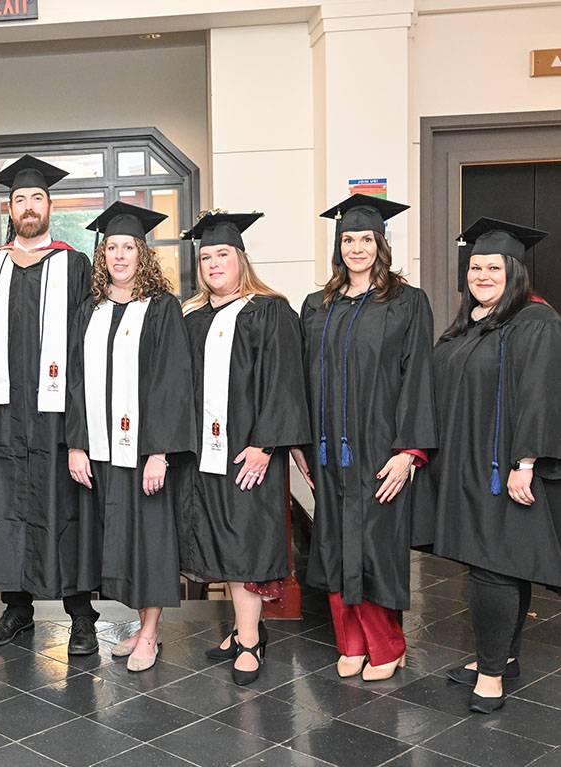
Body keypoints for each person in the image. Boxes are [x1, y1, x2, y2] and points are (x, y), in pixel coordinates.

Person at [413, 218, 560, 714]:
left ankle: (492, 674)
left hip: (506, 468)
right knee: (501, 567)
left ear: (514, 270)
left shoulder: (534, 321)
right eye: (475, 267)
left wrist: (526, 462)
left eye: (493, 267)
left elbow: (540, 396)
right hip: (468, 464)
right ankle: (504, 657)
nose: (482, 275)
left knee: (492, 571)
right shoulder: (470, 324)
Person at [295, 195, 437, 682]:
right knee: (333, 540)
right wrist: (300, 444)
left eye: (366, 239)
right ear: (338, 246)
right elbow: (300, 379)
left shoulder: (406, 302)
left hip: (380, 449)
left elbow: (419, 377)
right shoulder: (317, 305)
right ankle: (349, 641)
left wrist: (408, 452)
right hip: (329, 449)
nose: (357, 248)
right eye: (348, 240)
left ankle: (386, 643)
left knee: (375, 543)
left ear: (382, 244)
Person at [0, 155, 100, 654]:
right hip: (3, 414)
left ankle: (81, 614)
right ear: (10, 208)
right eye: (20, 199)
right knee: (7, 504)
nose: (28, 207)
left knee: (66, 504)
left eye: (37, 199)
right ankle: (17, 609)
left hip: (58, 412)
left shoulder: (74, 263)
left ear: (51, 206)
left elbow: (85, 343)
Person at [179, 211, 310, 686]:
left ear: (241, 259)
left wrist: (264, 445)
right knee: (219, 538)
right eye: (206, 256)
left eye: (223, 255)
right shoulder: (190, 316)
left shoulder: (270, 311)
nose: (214, 263)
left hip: (249, 452)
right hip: (203, 454)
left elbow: (284, 383)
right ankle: (240, 631)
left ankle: (251, 642)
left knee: (244, 543)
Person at [66, 202, 196, 672]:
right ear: (102, 257)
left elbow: (172, 381)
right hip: (100, 449)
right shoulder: (90, 310)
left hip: (144, 452)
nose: (119, 256)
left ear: (143, 254)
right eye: (111, 248)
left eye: (128, 247)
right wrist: (76, 444)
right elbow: (76, 382)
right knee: (119, 540)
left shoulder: (162, 309)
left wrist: (159, 452)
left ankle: (151, 633)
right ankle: (140, 629)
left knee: (152, 540)